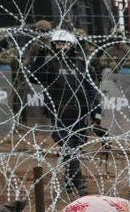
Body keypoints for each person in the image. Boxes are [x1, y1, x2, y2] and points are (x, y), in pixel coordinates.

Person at [30, 28, 102, 195]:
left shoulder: (82, 65)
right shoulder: (49, 65)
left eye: (63, 43)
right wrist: (40, 56)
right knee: (68, 146)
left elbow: (91, 90)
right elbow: (33, 76)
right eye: (56, 43)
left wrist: (96, 112)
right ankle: (78, 180)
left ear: (71, 45)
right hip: (58, 113)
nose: (60, 46)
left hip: (80, 114)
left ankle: (69, 179)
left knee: (74, 148)